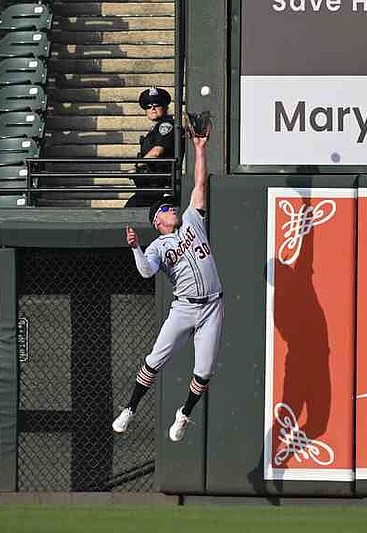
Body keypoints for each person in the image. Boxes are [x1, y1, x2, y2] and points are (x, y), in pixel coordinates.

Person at [113, 123, 223, 443]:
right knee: (154, 360)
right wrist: (135, 247)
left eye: (170, 205)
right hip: (184, 309)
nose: (171, 207)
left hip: (213, 305)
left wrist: (200, 149)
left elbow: (200, 183)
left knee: (203, 371)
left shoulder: (191, 218)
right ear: (158, 222)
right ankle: (130, 409)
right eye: (165, 208)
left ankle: (184, 414)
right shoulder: (158, 246)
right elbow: (147, 272)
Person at [125, 87, 180, 207]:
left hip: (159, 188)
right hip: (149, 187)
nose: (152, 109)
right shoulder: (155, 129)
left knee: (129, 213)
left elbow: (157, 152)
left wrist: (136, 165)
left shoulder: (166, 126)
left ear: (165, 107)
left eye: (157, 105)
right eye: (148, 106)